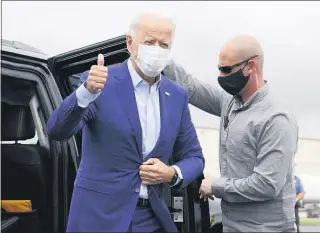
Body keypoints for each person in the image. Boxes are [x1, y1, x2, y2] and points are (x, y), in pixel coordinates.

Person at [47, 13, 205, 233]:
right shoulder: (101, 82)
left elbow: (195, 157)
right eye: (149, 42)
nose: (156, 49)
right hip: (99, 217)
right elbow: (57, 131)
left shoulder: (176, 95)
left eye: (164, 44)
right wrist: (84, 94)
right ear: (130, 43)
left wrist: (171, 173)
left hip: (151, 218)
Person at [163, 34, 299, 232]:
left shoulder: (276, 119)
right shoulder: (230, 103)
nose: (221, 76)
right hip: (232, 226)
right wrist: (158, 55)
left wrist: (216, 186)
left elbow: (267, 184)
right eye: (219, 69)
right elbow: (192, 87)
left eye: (226, 70)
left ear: (251, 66)